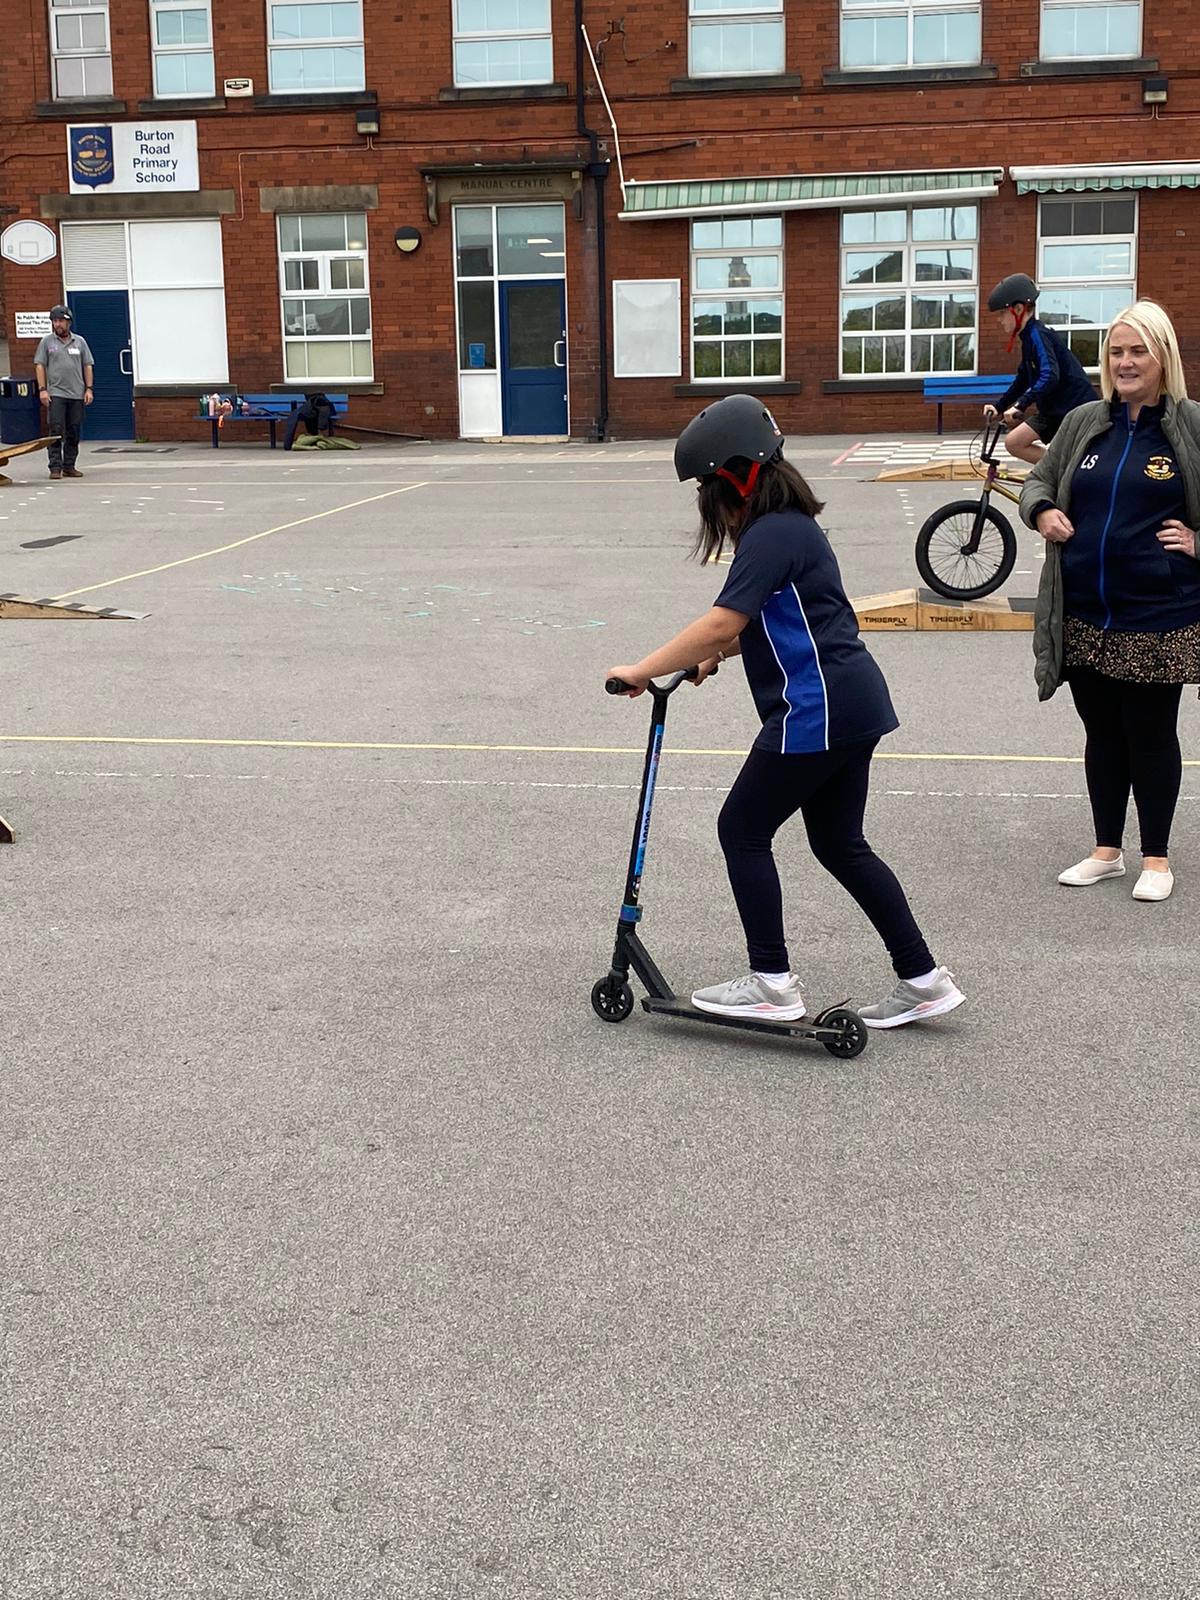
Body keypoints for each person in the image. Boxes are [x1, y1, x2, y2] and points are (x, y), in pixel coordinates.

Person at [604, 394, 965, 1030]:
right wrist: (714, 657)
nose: (706, 502)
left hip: (816, 709)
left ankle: (771, 981)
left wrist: (642, 668)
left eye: (707, 486)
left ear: (737, 476)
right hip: (853, 704)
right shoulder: (793, 526)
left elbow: (723, 621)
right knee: (840, 844)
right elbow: (775, 621)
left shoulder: (770, 534)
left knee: (742, 829)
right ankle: (922, 978)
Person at [1020, 300, 1200, 903]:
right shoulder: (1083, 422)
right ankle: (1106, 851)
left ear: (1163, 357)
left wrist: (1196, 542)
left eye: (1137, 351)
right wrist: (1042, 510)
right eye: (1116, 351)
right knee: (1101, 734)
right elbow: (1039, 479)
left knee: (1151, 735)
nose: (1125, 362)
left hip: (1158, 615)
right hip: (1083, 613)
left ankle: (1156, 858)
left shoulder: (1190, 425)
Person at [984, 273, 1095, 466]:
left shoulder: (1038, 335)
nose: (1000, 320)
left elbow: (1050, 374)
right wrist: (999, 407)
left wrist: (1021, 405)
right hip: (1053, 411)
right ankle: (1060, 471)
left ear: (1019, 309)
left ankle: (1064, 473)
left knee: (1020, 443)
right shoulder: (1028, 338)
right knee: (1014, 443)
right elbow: (1023, 379)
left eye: (1002, 313)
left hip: (1075, 411)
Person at [33, 305, 94, 481]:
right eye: (55, 321)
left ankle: (69, 466)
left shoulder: (80, 342)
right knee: (56, 429)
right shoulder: (47, 342)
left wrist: (89, 389)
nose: (57, 324)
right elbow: (40, 365)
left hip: (76, 394)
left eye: (60, 321)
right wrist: (43, 390)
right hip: (56, 393)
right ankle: (55, 467)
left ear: (69, 322)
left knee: (74, 430)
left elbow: (87, 365)